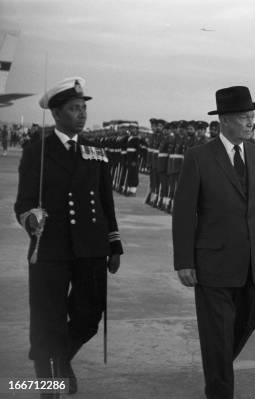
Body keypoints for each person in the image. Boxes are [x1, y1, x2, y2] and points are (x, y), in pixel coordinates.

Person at [172, 86, 255, 399]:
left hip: (251, 265)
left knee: (245, 325)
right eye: (244, 118)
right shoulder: (199, 158)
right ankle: (219, 389)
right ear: (224, 120)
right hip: (213, 265)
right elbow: (183, 213)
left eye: (252, 117)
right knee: (218, 338)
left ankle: (217, 368)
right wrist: (184, 261)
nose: (251, 123)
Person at [14, 77, 123, 395]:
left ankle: (62, 356)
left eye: (84, 108)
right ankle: (45, 378)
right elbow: (23, 202)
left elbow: (106, 201)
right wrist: (29, 219)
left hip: (90, 245)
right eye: (75, 108)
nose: (82, 114)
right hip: (51, 246)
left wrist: (114, 245)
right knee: (47, 315)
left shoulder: (95, 152)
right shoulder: (38, 151)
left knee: (90, 314)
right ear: (57, 114)